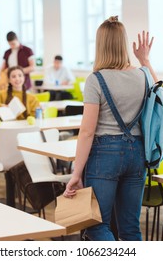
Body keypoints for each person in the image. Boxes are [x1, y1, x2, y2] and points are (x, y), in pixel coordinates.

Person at [63, 16, 158, 241]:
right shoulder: (142, 74)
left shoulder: (95, 80)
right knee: (130, 228)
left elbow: (86, 132)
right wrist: (145, 61)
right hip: (137, 152)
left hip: (105, 154)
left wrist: (76, 174)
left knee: (97, 226)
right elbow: (161, 98)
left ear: (100, 45)